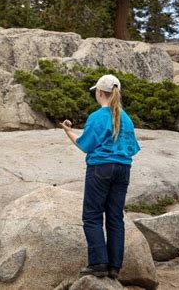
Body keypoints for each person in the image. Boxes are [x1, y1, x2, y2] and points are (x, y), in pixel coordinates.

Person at [60, 74, 140, 279]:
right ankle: (115, 266)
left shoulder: (96, 117)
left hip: (100, 169)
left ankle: (98, 262)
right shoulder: (127, 118)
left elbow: (85, 144)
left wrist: (67, 131)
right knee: (115, 217)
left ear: (99, 93)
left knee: (92, 215)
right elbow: (131, 148)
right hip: (123, 169)